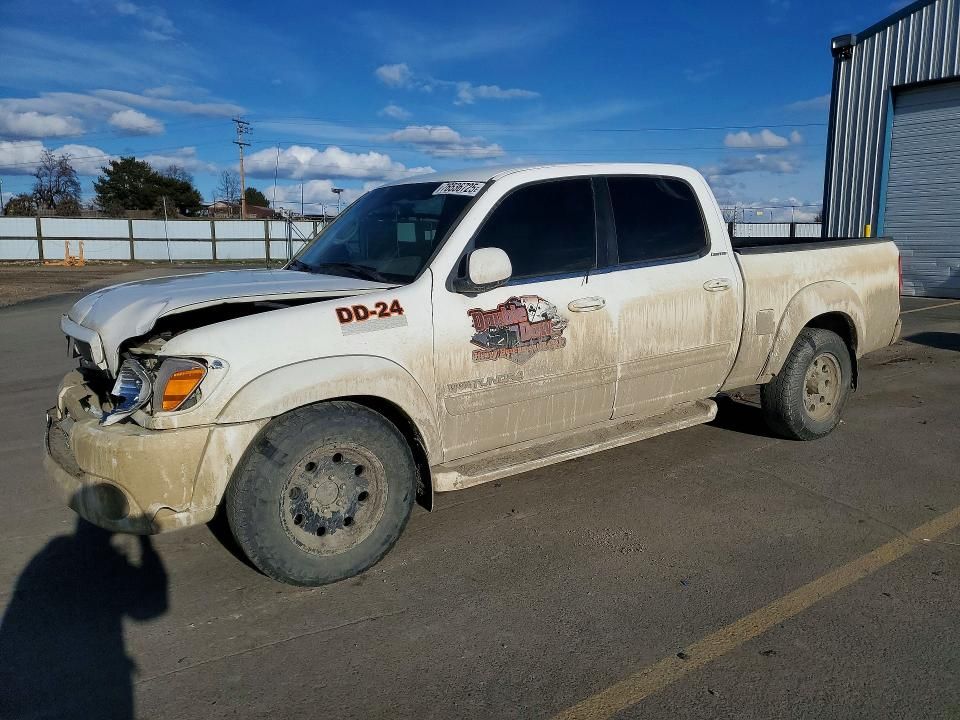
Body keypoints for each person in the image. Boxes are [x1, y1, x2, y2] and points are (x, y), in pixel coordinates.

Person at [0, 519, 168, 720]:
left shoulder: (57, 550)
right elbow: (152, 607)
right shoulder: (107, 563)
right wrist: (145, 543)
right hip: (96, 677)